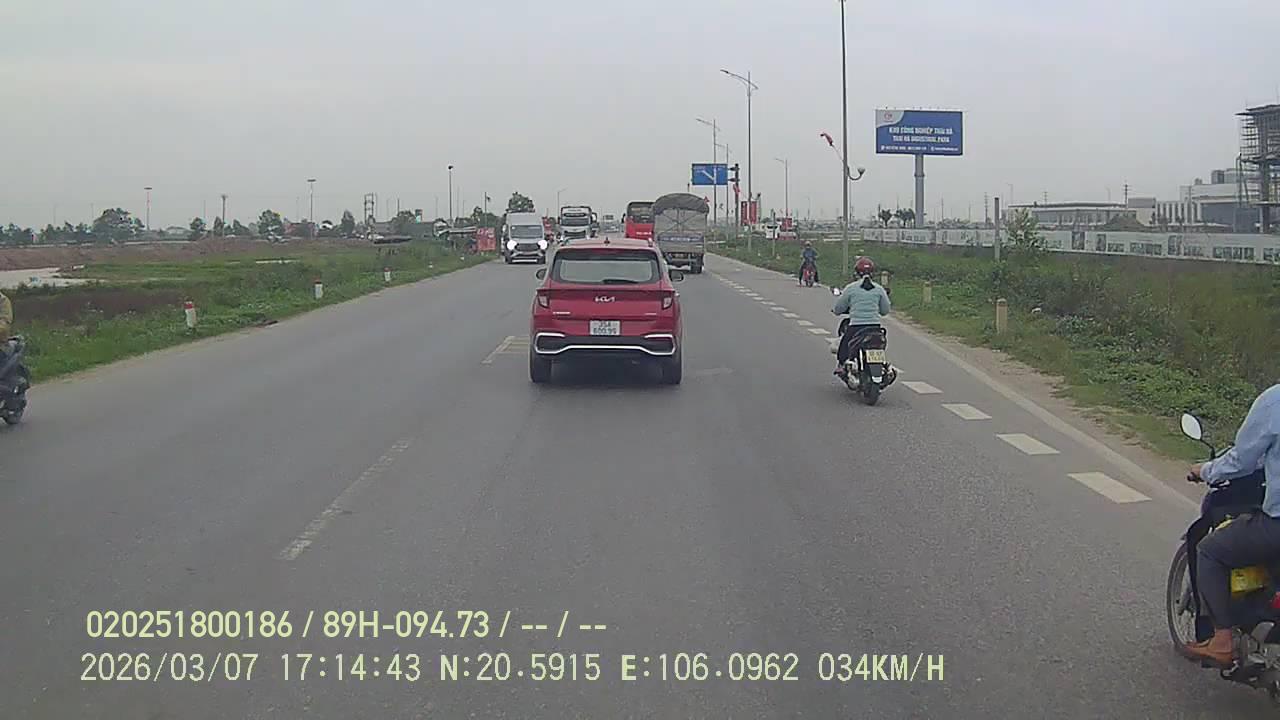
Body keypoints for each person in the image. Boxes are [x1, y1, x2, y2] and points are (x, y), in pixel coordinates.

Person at [1186, 383, 1280, 666]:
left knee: (1210, 551)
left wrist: (1205, 470)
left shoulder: (1275, 400)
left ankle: (1222, 641)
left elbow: (1242, 460)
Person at [831, 256, 890, 378]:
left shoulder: (851, 288)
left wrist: (836, 311)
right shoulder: (879, 289)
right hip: (875, 327)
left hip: (856, 327)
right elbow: (885, 310)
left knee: (844, 346)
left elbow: (839, 308)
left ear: (856, 273)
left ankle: (841, 366)